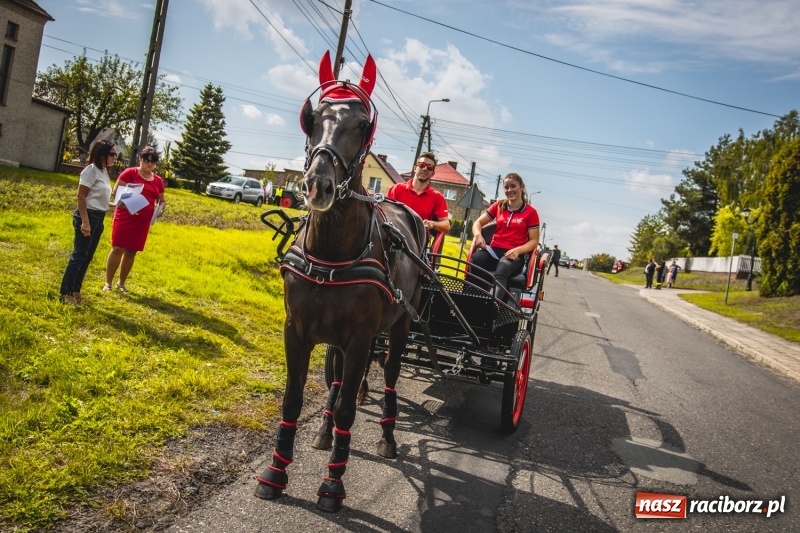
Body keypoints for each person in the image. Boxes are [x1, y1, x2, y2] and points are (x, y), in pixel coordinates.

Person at [59, 140, 117, 304]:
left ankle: (76, 289)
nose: (115, 158)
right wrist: (85, 222)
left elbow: (98, 198)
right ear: (102, 154)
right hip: (88, 216)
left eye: (116, 155)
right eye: (112, 154)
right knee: (79, 255)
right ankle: (66, 292)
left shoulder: (104, 172)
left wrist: (114, 204)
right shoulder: (91, 170)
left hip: (99, 217)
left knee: (87, 256)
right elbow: (81, 197)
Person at [103, 146, 166, 293]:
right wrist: (130, 203)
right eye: (146, 160)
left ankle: (121, 283)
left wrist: (160, 210)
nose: (149, 164)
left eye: (153, 161)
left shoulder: (158, 181)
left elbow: (162, 201)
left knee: (132, 251)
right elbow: (116, 192)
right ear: (140, 159)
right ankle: (108, 283)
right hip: (125, 215)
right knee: (118, 248)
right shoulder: (130, 172)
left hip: (142, 221)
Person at [469, 173, 540, 300]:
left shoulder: (531, 213)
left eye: (513, 186)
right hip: (493, 251)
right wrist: (478, 236)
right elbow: (477, 223)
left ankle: (492, 306)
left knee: (502, 270)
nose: (509, 190)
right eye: (506, 187)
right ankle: (470, 301)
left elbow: (534, 241)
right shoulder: (499, 205)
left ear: (521, 187)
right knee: (475, 260)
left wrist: (518, 251)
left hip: (514, 256)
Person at [387, 151, 451, 236]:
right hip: (393, 234)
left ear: (433, 173)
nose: (425, 169)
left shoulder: (437, 197)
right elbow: (385, 212)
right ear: (415, 168)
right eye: (422, 165)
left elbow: (446, 225)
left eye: (429, 167)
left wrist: (432, 223)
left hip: (418, 239)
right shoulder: (397, 189)